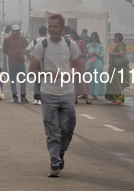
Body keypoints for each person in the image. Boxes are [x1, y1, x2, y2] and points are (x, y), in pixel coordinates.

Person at [29, 13, 81, 178]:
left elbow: (78, 68)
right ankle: (55, 164)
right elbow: (32, 71)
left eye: (55, 26)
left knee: (67, 129)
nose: (52, 29)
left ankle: (60, 152)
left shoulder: (70, 45)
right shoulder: (41, 46)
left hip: (67, 93)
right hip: (48, 93)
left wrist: (70, 74)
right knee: (52, 132)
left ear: (62, 27)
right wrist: (49, 72)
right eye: (50, 26)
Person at [2, 24, 29, 103]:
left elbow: (22, 47)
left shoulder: (21, 38)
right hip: (12, 62)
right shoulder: (7, 40)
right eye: (16, 30)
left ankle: (23, 96)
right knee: (13, 80)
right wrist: (12, 54)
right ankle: (15, 96)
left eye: (18, 30)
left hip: (21, 61)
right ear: (12, 31)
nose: (18, 32)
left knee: (23, 80)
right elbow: (5, 50)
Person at [106, 33, 131, 106]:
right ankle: (116, 98)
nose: (113, 38)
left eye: (114, 37)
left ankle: (119, 99)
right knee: (114, 82)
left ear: (117, 38)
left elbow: (121, 53)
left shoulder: (120, 45)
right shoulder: (118, 46)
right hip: (114, 67)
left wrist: (113, 54)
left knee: (117, 82)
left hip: (117, 68)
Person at [26, 26, 48, 105]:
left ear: (39, 32)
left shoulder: (34, 41)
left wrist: (31, 60)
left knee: (37, 81)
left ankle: (36, 98)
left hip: (36, 63)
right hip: (46, 63)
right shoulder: (49, 41)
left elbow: (27, 50)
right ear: (46, 32)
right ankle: (43, 98)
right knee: (45, 81)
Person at [70, 30, 90, 105]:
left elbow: (86, 51)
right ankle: (76, 99)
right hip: (73, 64)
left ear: (74, 35)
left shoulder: (80, 42)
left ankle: (87, 98)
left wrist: (80, 55)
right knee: (75, 82)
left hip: (80, 64)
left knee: (83, 81)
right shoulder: (70, 43)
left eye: (72, 35)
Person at [87, 32, 105, 100]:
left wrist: (97, 55)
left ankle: (95, 93)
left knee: (96, 79)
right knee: (89, 79)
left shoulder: (100, 46)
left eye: (94, 37)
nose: (93, 39)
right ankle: (88, 93)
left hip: (97, 64)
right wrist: (88, 55)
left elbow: (102, 55)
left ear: (97, 38)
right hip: (90, 63)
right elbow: (86, 54)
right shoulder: (88, 45)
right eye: (92, 37)